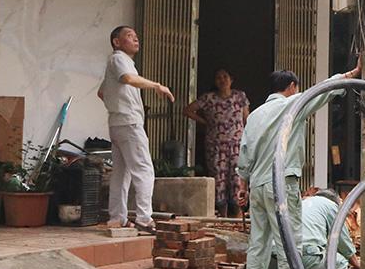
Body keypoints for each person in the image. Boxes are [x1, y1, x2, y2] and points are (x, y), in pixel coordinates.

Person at [237, 64, 360, 269]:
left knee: (258, 239)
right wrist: (352, 74)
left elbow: (244, 154)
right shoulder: (293, 105)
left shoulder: (254, 116)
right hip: (281, 184)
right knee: (289, 238)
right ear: (292, 87)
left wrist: (242, 185)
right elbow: (324, 90)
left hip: (258, 185)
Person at [97, 26, 173, 232]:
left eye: (136, 36)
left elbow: (102, 92)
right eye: (130, 36)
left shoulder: (119, 62)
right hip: (129, 123)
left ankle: (117, 217)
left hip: (117, 122)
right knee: (144, 170)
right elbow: (128, 79)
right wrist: (157, 85)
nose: (136, 39)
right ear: (117, 42)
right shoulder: (119, 59)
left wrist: (117, 104)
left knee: (121, 173)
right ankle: (144, 218)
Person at [184, 69, 250, 215]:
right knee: (218, 178)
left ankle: (238, 215)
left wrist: (249, 138)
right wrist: (205, 122)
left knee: (237, 178)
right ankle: (222, 215)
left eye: (225, 76)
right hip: (215, 146)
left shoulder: (240, 96)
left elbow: (247, 118)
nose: (222, 80)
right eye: (218, 77)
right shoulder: (208, 98)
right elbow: (188, 110)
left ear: (231, 79)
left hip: (236, 145)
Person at [298, 188, 358, 269]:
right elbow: (342, 241)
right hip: (305, 257)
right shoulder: (331, 205)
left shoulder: (303, 203)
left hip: (280, 260)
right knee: (342, 263)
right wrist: (357, 265)